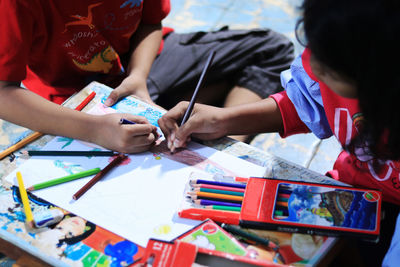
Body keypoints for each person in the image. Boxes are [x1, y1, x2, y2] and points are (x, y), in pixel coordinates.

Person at [158, 0, 400, 265]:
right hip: (355, 192)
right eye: (312, 45)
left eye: (329, 64)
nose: (313, 63)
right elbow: (305, 102)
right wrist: (224, 120)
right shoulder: (335, 49)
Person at [0, 0, 294, 154]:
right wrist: (94, 130)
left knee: (271, 49)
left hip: (143, 67)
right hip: (80, 100)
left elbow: (151, 21)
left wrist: (139, 75)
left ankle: (221, 148)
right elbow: (3, 92)